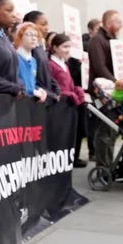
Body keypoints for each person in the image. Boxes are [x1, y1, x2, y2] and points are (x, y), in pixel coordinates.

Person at [87, 9, 123, 167]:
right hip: (102, 91)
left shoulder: (113, 40)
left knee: (112, 128)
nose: (121, 25)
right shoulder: (97, 40)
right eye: (118, 22)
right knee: (105, 128)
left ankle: (108, 164)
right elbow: (99, 67)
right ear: (109, 23)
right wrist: (116, 81)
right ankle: (103, 167)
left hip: (114, 89)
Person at [48, 34, 87, 167]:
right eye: (64, 47)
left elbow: (69, 84)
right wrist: (69, 93)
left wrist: (77, 91)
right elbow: (52, 87)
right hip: (58, 107)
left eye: (69, 47)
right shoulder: (51, 65)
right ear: (55, 48)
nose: (68, 50)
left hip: (68, 106)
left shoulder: (65, 64)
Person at [14, 22, 49, 102]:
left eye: (36, 35)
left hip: (30, 102)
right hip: (18, 100)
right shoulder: (14, 57)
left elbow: (32, 83)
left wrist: (39, 89)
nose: (33, 38)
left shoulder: (33, 61)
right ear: (20, 36)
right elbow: (14, 80)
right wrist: (32, 91)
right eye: (29, 34)